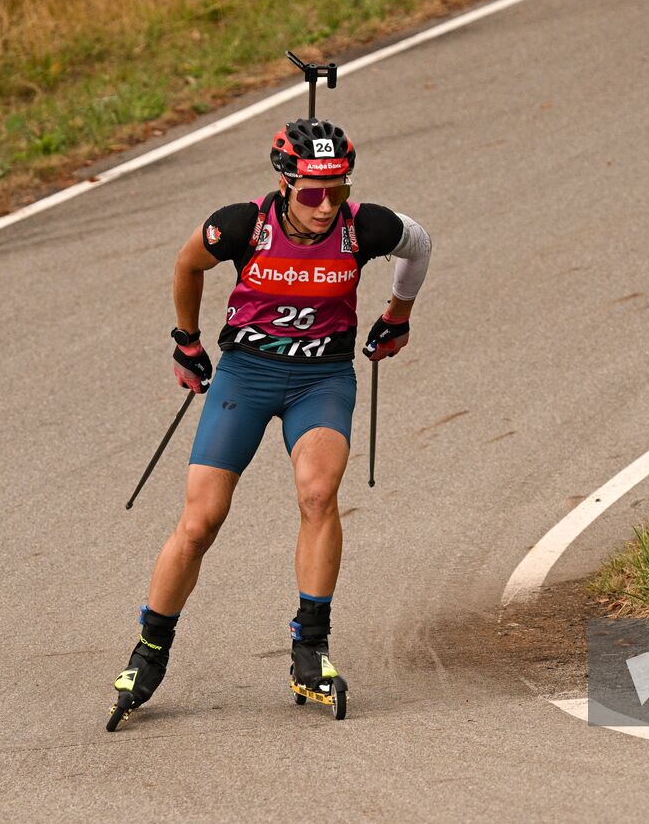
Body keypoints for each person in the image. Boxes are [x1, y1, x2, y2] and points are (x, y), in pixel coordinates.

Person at [112, 116, 431, 720]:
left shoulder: (365, 225)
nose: (325, 205)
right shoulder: (241, 224)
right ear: (284, 183)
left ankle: (310, 649)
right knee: (201, 521)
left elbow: (420, 246)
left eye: (337, 189)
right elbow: (188, 266)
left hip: (322, 379)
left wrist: (397, 316)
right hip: (245, 378)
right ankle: (149, 650)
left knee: (318, 493)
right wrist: (186, 341)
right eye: (312, 192)